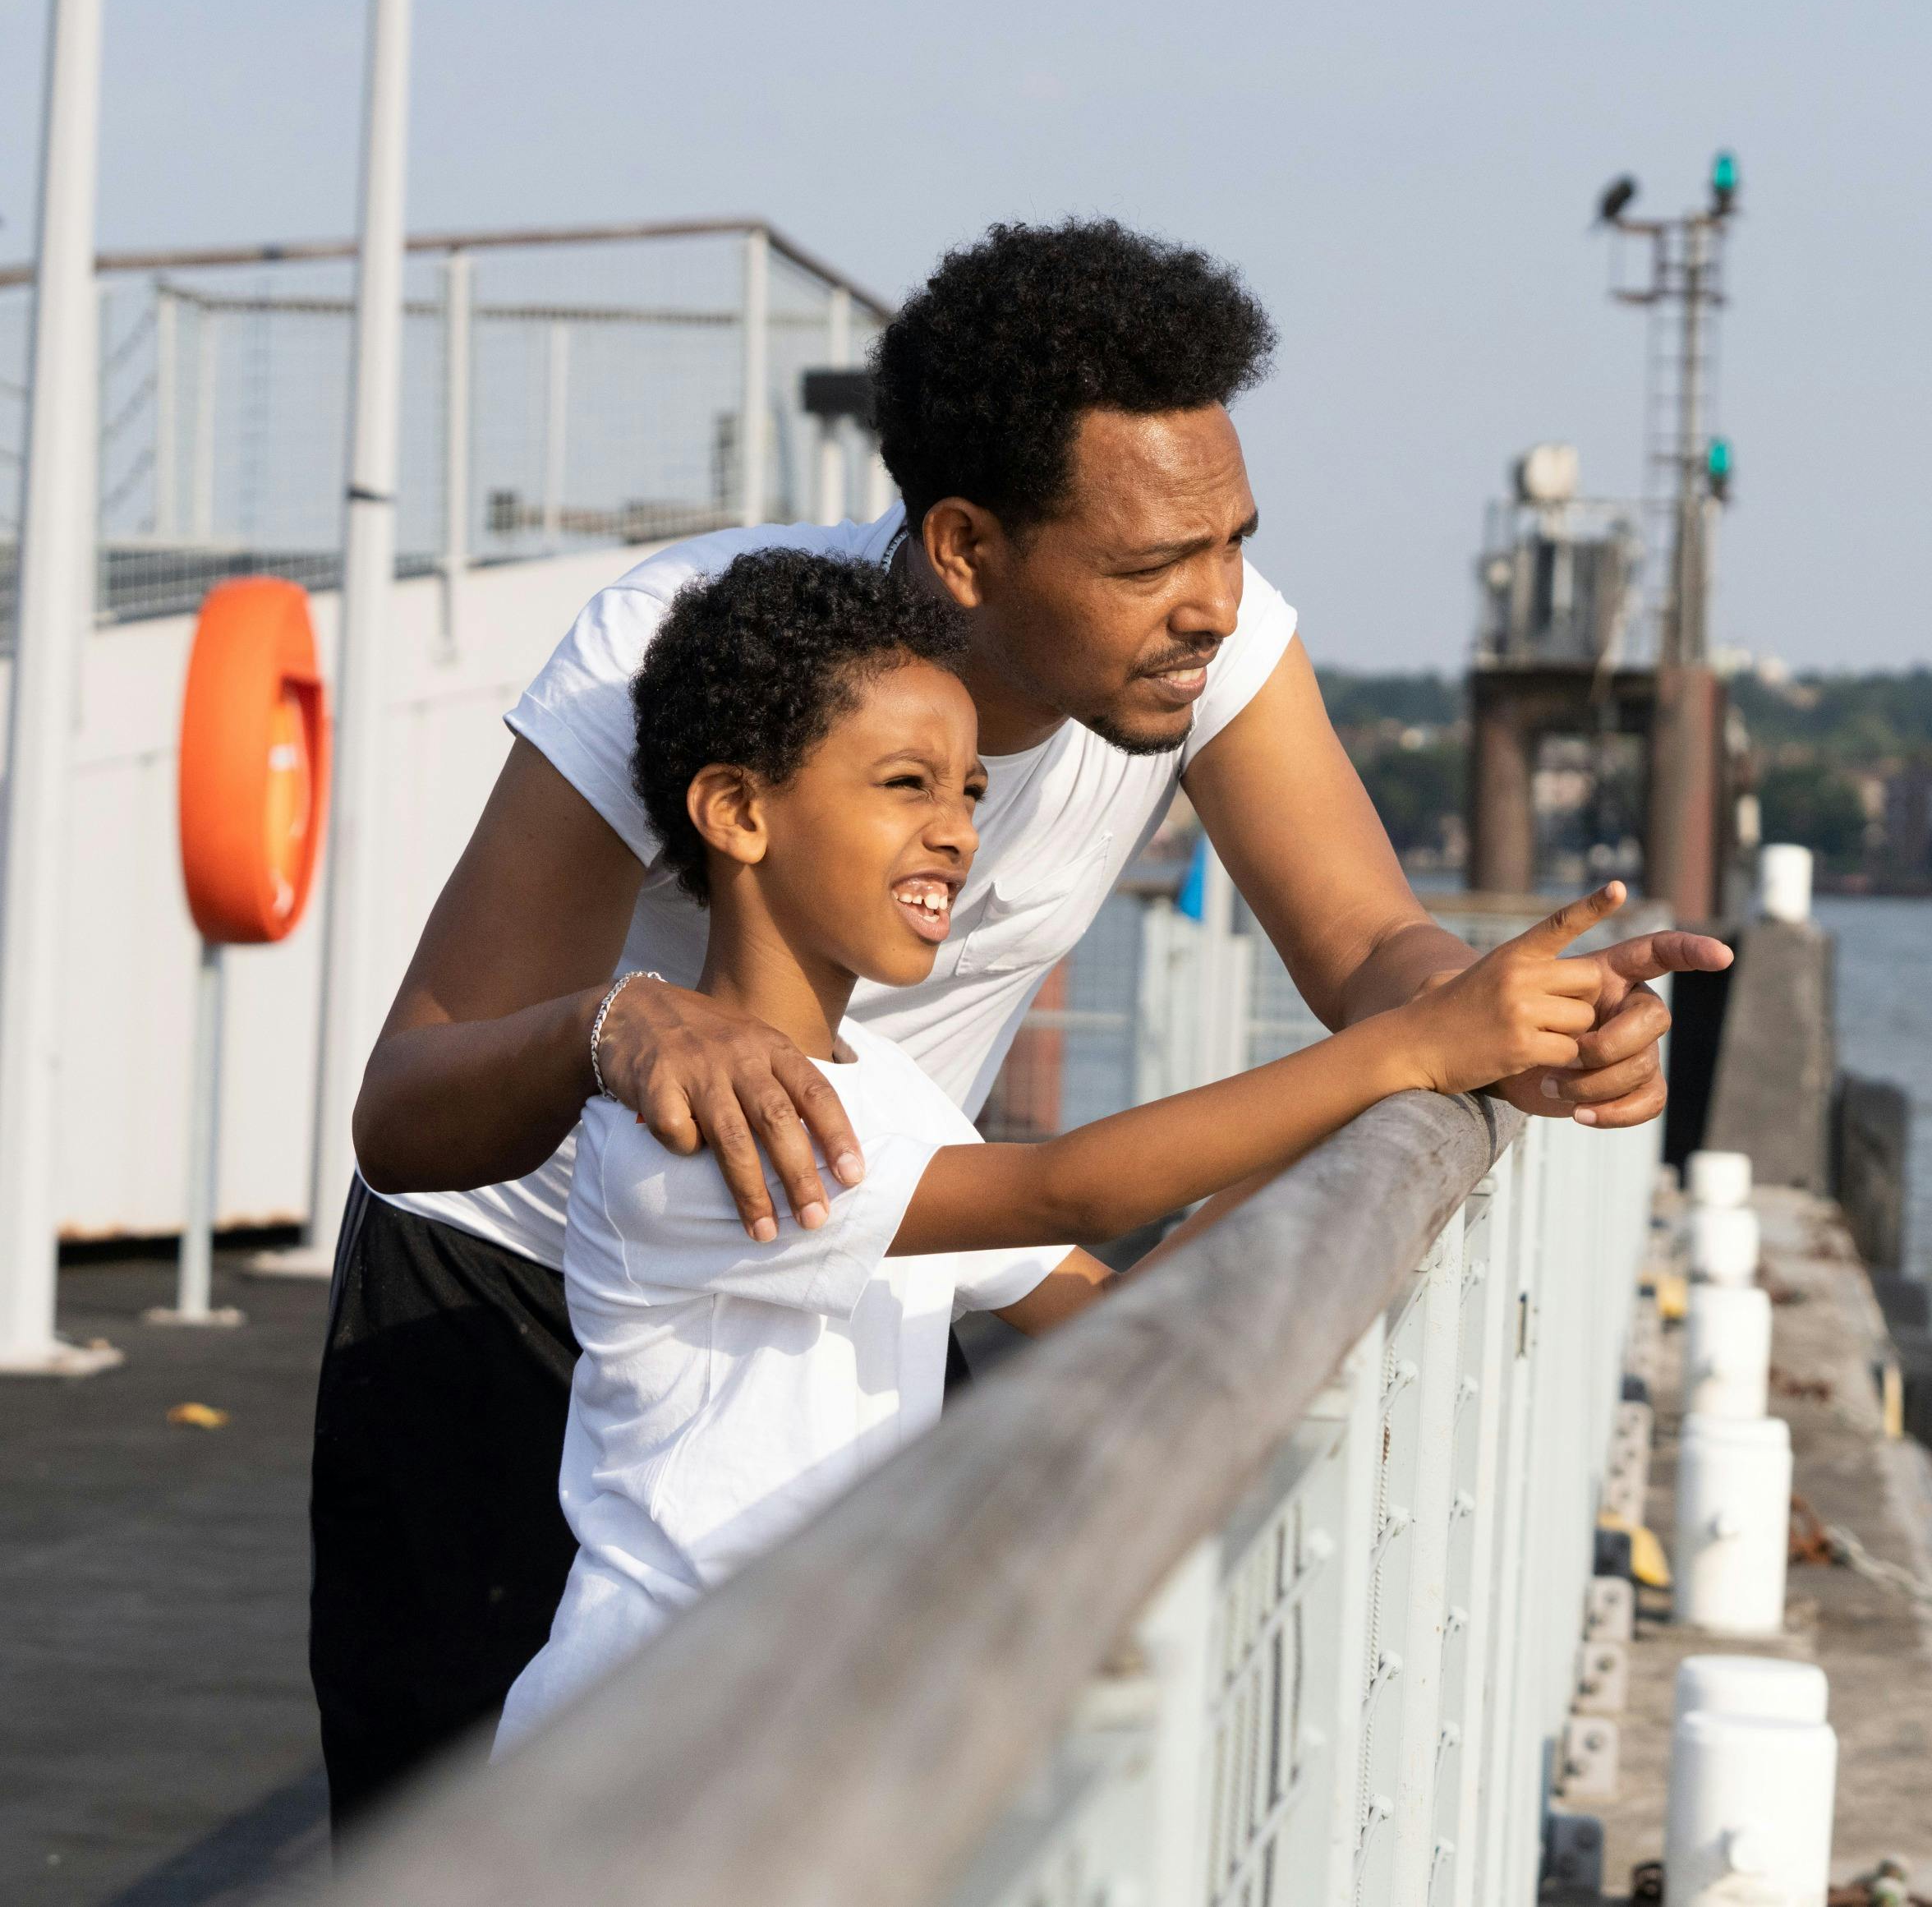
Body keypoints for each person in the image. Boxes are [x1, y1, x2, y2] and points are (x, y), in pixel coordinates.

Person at [315, 219, 1732, 1828]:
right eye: (1147, 566)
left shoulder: (1212, 648)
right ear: (967, 548)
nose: (1210, 605)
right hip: (509, 1294)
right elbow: (405, 1104)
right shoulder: (684, 649)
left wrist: (1526, 1027)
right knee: (455, 1843)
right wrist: (612, 1025)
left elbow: (1368, 945)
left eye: (1233, 546)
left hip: (858, 1255)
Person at [494, 549, 1615, 1749]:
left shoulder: (888, 1091)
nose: (956, 834)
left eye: (971, 792)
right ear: (740, 811)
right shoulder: (698, 1125)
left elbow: (1111, 1304)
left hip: (795, 1708)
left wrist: (1379, 1115)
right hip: (643, 1727)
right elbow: (1060, 1186)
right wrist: (1408, 1049)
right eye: (907, 783)